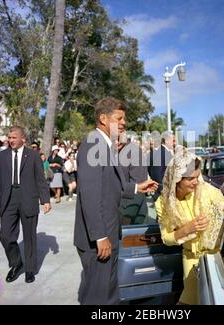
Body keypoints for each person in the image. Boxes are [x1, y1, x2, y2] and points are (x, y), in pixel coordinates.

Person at [74, 97, 158, 305]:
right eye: (119, 118)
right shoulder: (94, 144)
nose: (123, 123)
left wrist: (137, 187)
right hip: (99, 239)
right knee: (101, 297)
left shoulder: (105, 146)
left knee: (102, 292)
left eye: (124, 119)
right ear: (103, 118)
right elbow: (90, 195)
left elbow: (108, 188)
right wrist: (100, 236)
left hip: (107, 233)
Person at [155, 147, 224, 304]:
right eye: (191, 178)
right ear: (177, 178)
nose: (196, 182)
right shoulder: (162, 203)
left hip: (218, 258)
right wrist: (186, 230)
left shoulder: (207, 191)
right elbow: (166, 238)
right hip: (190, 260)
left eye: (197, 176)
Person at [0, 126, 51, 284]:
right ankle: (17, 263)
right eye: (9, 138)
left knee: (29, 237)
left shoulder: (33, 156)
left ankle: (30, 270)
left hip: (28, 199)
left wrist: (45, 200)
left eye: (13, 137)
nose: (10, 140)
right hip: (8, 199)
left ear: (23, 138)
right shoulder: (1, 156)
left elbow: (40, 179)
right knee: (5, 235)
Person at [148, 131, 175, 200]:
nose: (174, 143)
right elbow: (157, 174)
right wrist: (162, 190)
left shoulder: (164, 152)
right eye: (173, 140)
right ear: (166, 141)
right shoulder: (161, 153)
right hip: (162, 193)